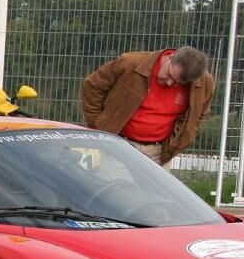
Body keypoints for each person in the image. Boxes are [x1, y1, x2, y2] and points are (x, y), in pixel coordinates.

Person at [82, 46, 214, 168]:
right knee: (115, 186)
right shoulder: (131, 63)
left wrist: (178, 142)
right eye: (169, 75)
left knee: (155, 188)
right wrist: (98, 124)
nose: (169, 83)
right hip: (118, 145)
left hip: (159, 153)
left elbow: (201, 114)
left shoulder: (203, 83)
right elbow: (93, 86)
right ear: (170, 57)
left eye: (177, 83)